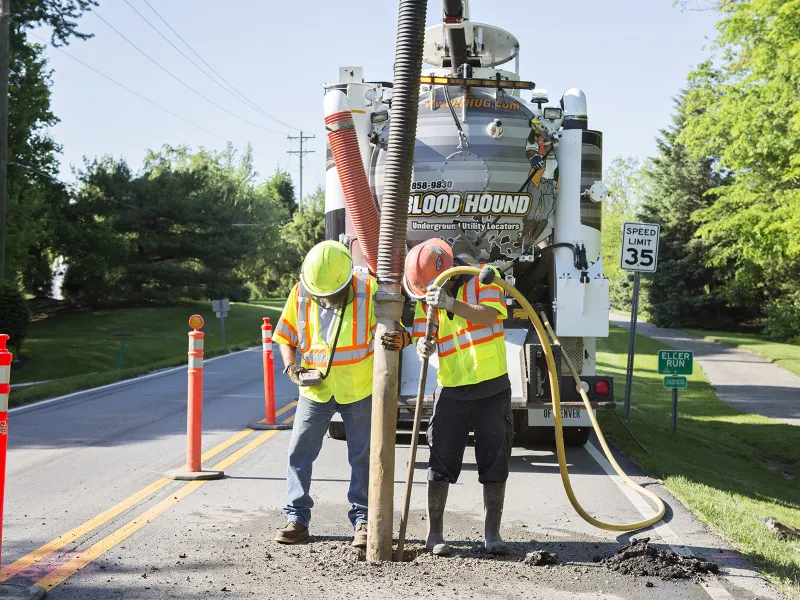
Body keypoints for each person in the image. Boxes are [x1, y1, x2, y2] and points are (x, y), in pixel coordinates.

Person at [273, 240, 410, 547]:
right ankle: (297, 518)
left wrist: (401, 338)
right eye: (320, 294)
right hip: (316, 389)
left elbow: (397, 327)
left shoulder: (369, 288)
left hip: (358, 388)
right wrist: (291, 365)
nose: (325, 299)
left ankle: (363, 521)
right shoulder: (301, 291)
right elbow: (285, 333)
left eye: (331, 294)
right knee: (299, 453)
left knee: (363, 457)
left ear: (348, 280)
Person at [405, 238, 512, 556]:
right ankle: (434, 535)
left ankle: (492, 534)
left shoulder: (485, 276)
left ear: (449, 270)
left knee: (494, 461)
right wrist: (423, 346)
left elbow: (490, 317)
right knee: (440, 460)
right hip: (450, 387)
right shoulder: (427, 297)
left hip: (491, 386)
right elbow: (422, 336)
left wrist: (451, 304)